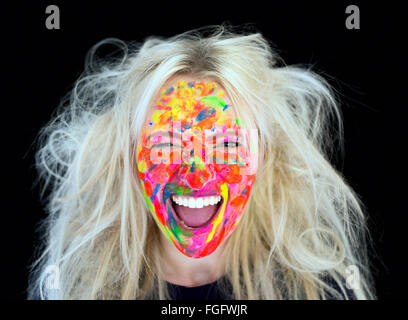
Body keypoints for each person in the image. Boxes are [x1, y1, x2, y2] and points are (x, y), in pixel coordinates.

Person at [28, 24, 375, 300]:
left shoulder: (322, 291)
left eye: (226, 146)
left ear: (263, 155)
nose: (195, 176)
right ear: (131, 155)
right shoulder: (73, 289)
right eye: (167, 144)